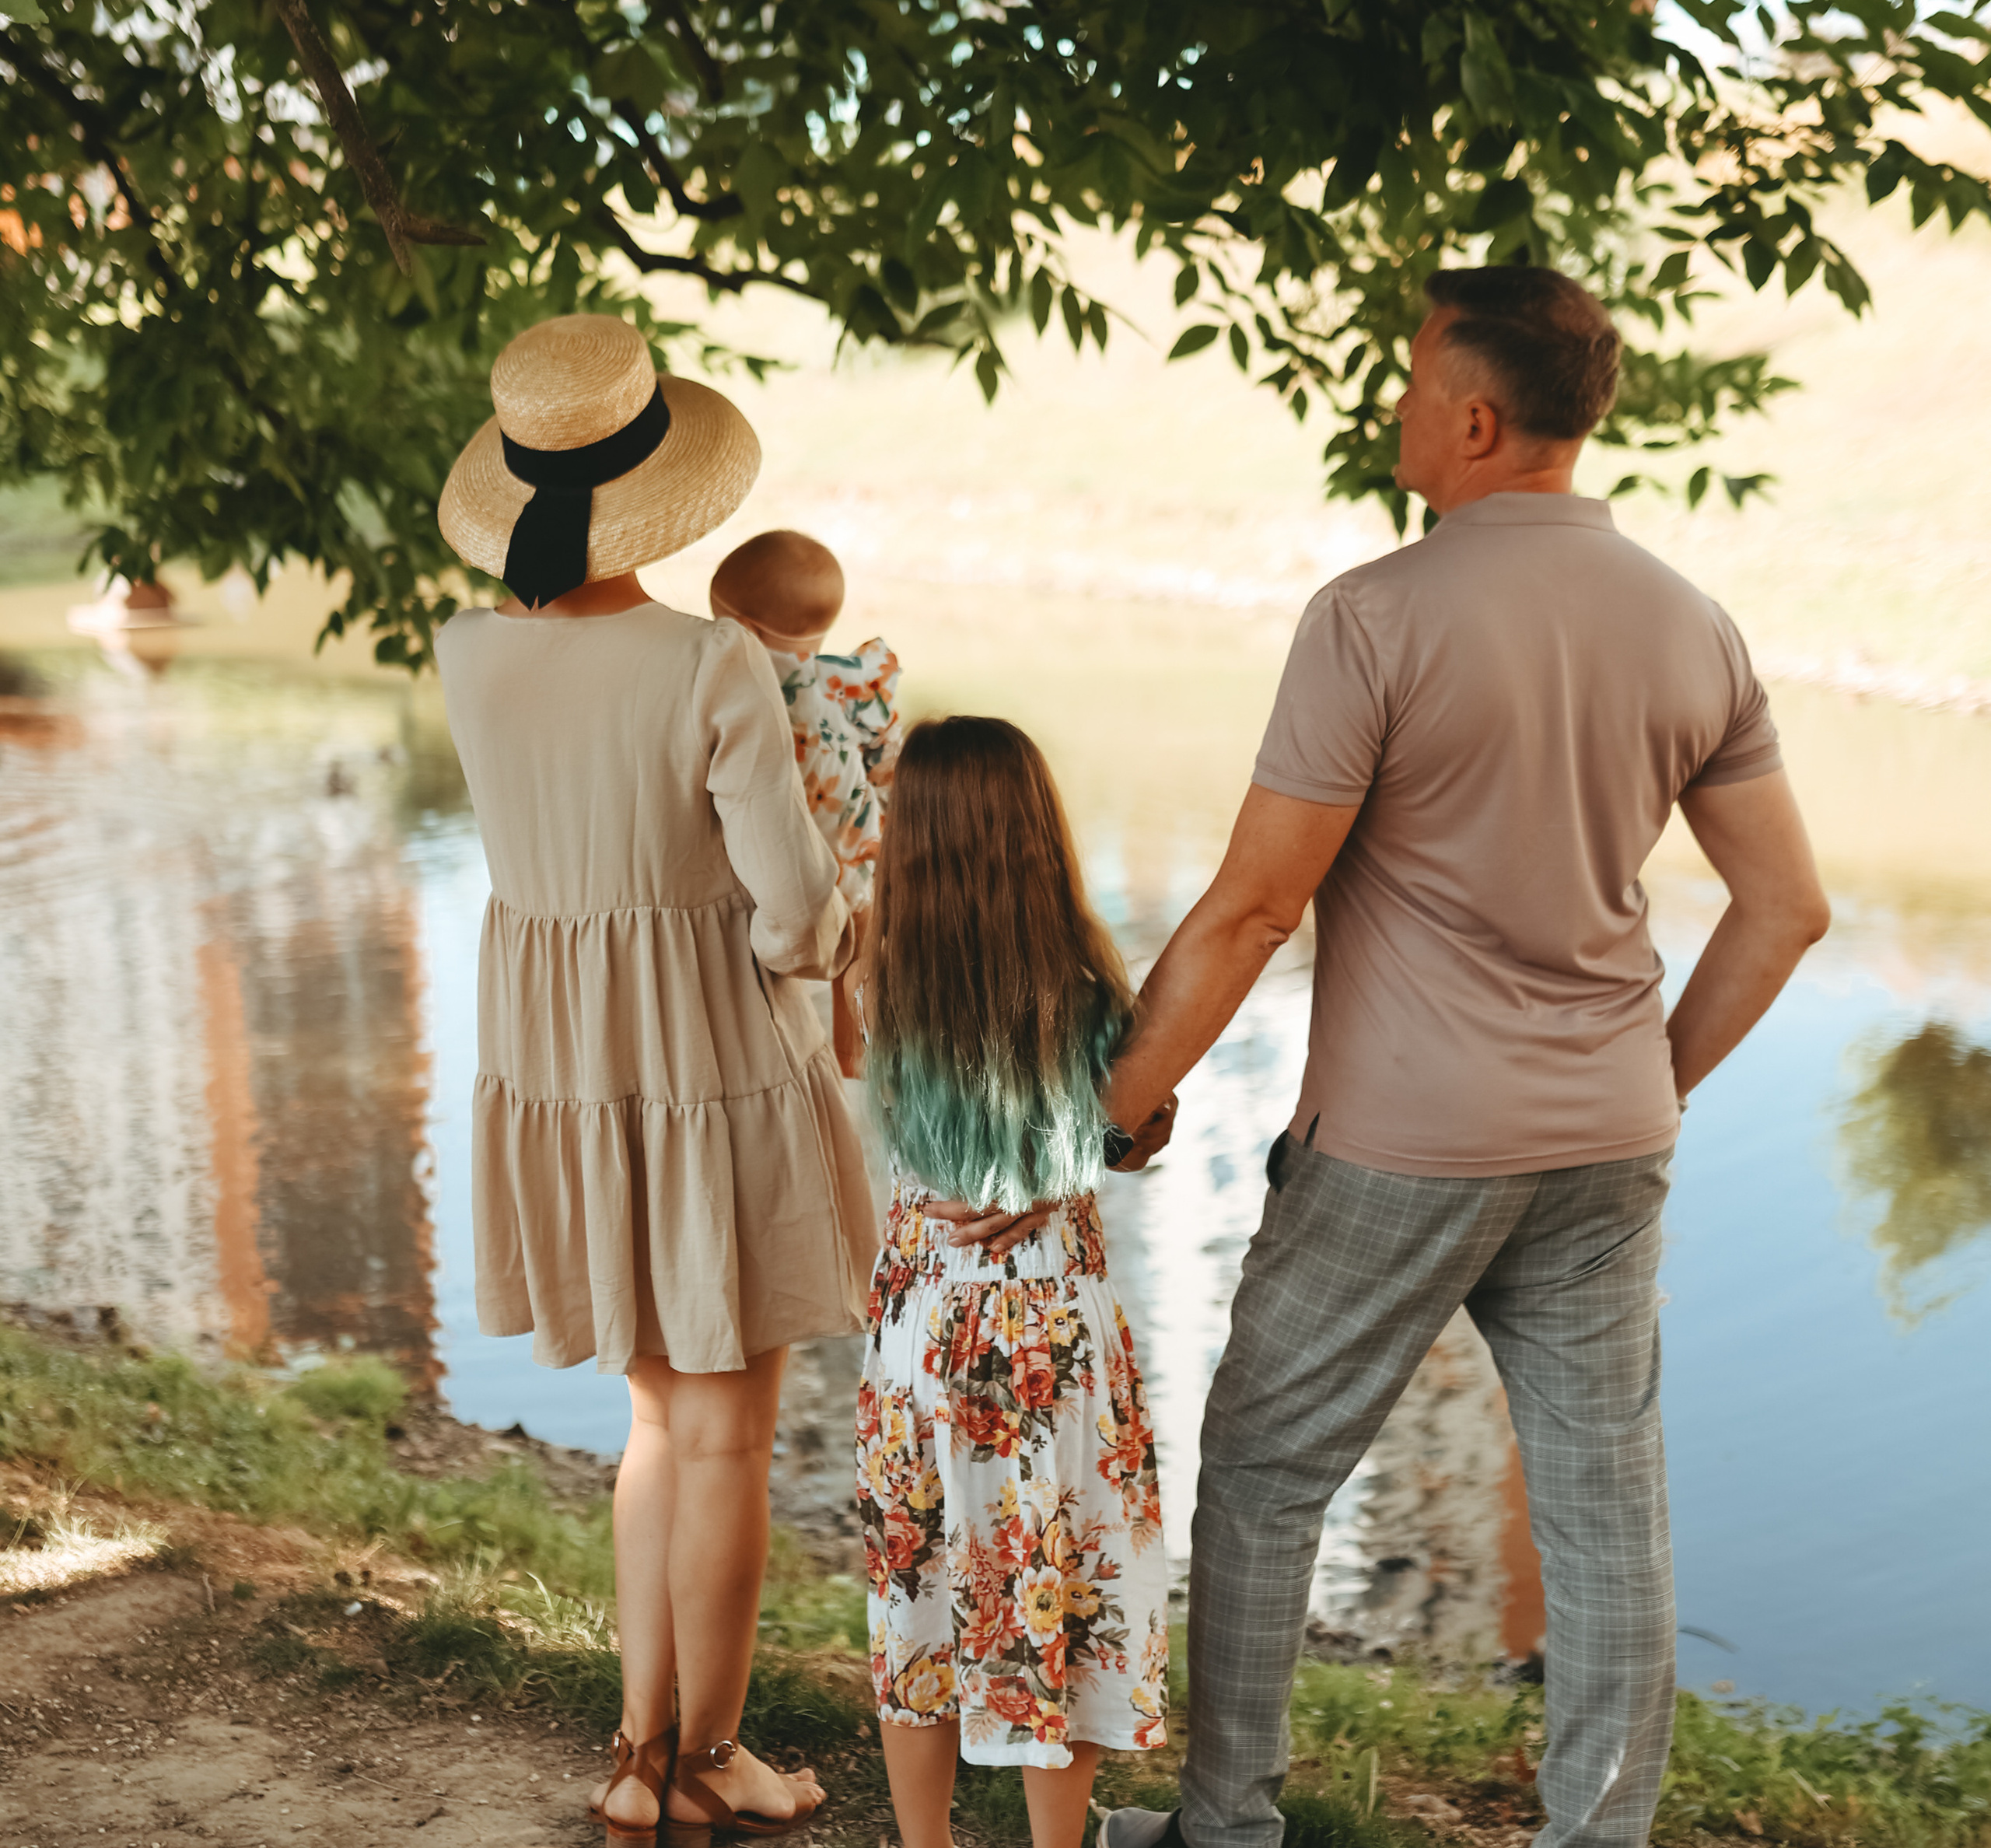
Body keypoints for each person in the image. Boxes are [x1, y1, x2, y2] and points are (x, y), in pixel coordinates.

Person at [1096, 266, 1832, 1848]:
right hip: (1605, 1142)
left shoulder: (1370, 616)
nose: (1394, 411)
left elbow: (1249, 906)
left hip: (1398, 1146)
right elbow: (1784, 910)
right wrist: (1651, 1078)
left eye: (1412, 385)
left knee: (1265, 1467)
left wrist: (1121, 1093)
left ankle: (1223, 1827)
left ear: (1475, 418)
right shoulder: (1691, 624)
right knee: (1602, 1510)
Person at [433, 313, 878, 1844]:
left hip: (565, 1077)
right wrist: (852, 901)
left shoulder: (465, 653)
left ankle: (636, 1750)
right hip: (708, 1067)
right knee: (730, 1432)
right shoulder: (712, 660)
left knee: (653, 1425)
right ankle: (712, 1754)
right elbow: (796, 912)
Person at [850, 716, 1175, 1848]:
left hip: (920, 1331)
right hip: (1049, 1330)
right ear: (1038, 831)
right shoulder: (1085, 990)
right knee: (1060, 1587)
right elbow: (1145, 1134)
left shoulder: (876, 974)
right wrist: (1080, 1152)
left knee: (920, 1595)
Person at [709, 529, 902, 1076]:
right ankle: (856, 1058)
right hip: (854, 826)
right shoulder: (828, 677)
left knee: (838, 941)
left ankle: (847, 1058)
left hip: (814, 834)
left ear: (743, 630)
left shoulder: (755, 682)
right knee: (858, 949)